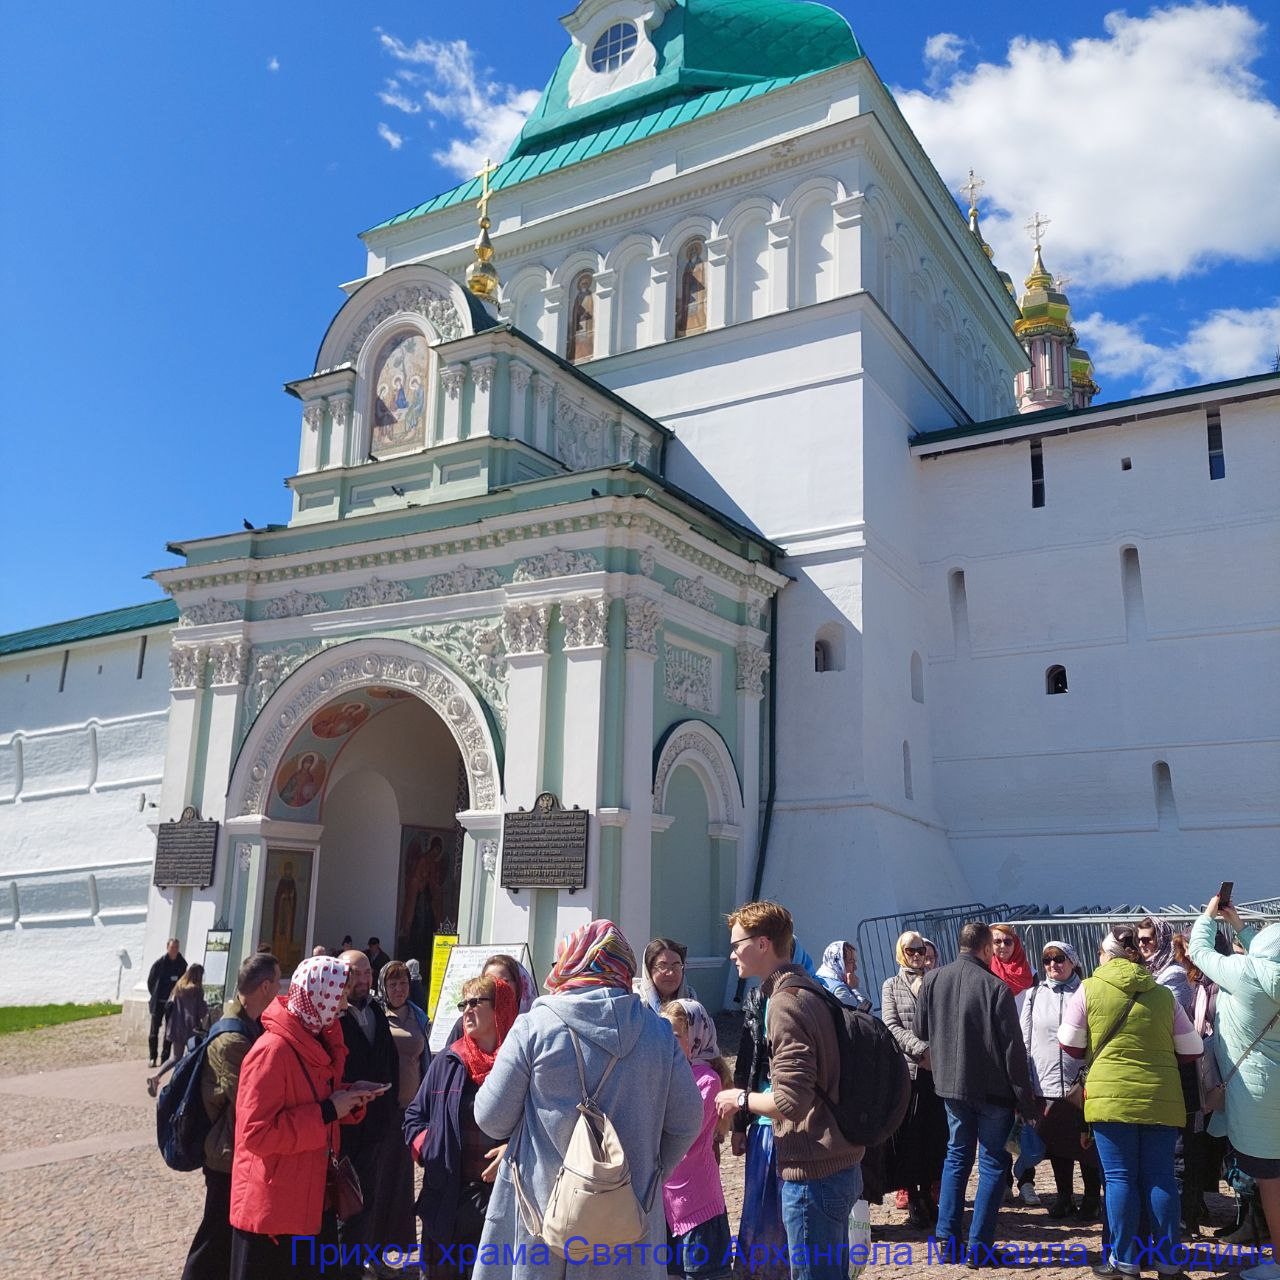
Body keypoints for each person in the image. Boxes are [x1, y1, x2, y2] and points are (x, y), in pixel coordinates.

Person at [471, 919, 703, 1280]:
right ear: (623, 966)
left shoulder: (535, 1027)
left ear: (570, 962)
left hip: (542, 1217)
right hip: (628, 1220)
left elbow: (491, 1119)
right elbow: (688, 1120)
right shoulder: (658, 1033)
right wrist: (646, 1172)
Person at [715, 901, 864, 1280]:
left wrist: (740, 1099)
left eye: (737, 944)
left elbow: (791, 1101)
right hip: (836, 1161)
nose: (732, 953)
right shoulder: (809, 989)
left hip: (814, 1169)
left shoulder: (785, 1002)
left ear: (763, 943)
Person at [1058, 923, 1203, 1279]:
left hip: (1110, 1100)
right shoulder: (1163, 994)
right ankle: (1168, 1261)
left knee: (1120, 1179)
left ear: (1107, 955)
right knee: (1161, 1178)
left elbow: (1069, 1044)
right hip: (1160, 1098)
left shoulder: (1089, 989)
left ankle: (1124, 1261)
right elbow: (1193, 1048)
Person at [229, 954, 382, 1279]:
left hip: (310, 1202)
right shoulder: (272, 1051)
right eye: (340, 994)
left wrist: (350, 1098)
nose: (344, 1004)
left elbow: (315, 1102)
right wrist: (329, 1110)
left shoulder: (314, 1042)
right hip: (273, 1214)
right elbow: (256, 1134)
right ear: (320, 995)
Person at [912, 920, 1037, 1266]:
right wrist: (1025, 1100)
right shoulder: (995, 988)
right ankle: (979, 1245)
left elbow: (921, 1029)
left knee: (956, 1157)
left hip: (951, 1085)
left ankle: (947, 1239)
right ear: (985, 949)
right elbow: (1013, 1051)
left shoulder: (933, 979)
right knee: (994, 1162)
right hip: (991, 1090)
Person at [1189, 893, 1280, 1280]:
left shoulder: (1244, 974)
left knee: (1272, 1184)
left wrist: (1212, 915)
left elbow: (1198, 949)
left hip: (1258, 1095)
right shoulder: (1267, 970)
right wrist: (1241, 924)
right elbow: (1267, 951)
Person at [405, 975, 516, 1278]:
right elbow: (414, 1116)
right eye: (463, 1003)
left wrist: (512, 1150)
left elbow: (540, 1125)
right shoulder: (449, 1061)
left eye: (476, 1002)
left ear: (500, 1009)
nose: (467, 1010)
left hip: (502, 1201)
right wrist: (431, 1149)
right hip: (447, 1197)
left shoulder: (519, 1063)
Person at [180, 952, 280, 1280]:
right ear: (265, 987)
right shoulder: (232, 1039)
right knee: (214, 1233)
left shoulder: (250, 1025)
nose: (279, 989)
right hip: (224, 1153)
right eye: (277, 982)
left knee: (226, 1235)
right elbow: (249, 1100)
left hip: (236, 1148)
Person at [1019, 940, 1103, 1220]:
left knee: (1085, 1143)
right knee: (1056, 1144)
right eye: (1047, 960)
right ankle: (1065, 1195)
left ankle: (1092, 1198)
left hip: (1080, 1082)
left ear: (1072, 960)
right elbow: (1026, 1038)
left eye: (1059, 959)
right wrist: (1028, 1079)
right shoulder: (1034, 995)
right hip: (1046, 1081)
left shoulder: (1087, 991)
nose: (1053, 965)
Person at [336, 948, 400, 1270]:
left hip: (377, 1124)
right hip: (345, 1126)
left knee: (371, 1196)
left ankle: (366, 1259)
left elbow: (388, 1059)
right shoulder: (333, 1014)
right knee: (345, 1201)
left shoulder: (375, 1010)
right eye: (355, 973)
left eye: (366, 973)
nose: (363, 979)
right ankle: (344, 1265)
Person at [660, 1000, 733, 1280]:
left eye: (675, 1035)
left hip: (697, 1205)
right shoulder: (664, 1075)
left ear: (696, 1038)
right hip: (666, 1206)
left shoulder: (707, 1080)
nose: (666, 1041)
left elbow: (680, 1133)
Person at [881, 931, 947, 1228]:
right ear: (901, 953)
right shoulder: (892, 986)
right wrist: (920, 1050)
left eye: (920, 950)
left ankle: (932, 1193)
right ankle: (915, 1196)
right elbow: (891, 1024)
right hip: (909, 1069)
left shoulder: (935, 981)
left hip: (937, 1070)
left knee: (934, 1135)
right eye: (911, 950)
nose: (917, 955)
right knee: (910, 1135)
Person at [730, 971, 789, 1280]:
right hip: (762, 1121)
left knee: (787, 1210)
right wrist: (739, 1125)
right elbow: (745, 1059)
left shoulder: (802, 996)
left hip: (794, 1124)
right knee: (758, 1206)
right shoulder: (757, 998)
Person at [378, 960, 431, 1265]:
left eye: (403, 984)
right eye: (393, 984)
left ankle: (398, 1243)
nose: (399, 990)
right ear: (384, 987)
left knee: (403, 1180)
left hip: (409, 1110)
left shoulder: (418, 1017)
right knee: (382, 1177)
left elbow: (425, 1061)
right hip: (384, 1109)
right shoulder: (377, 1015)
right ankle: (374, 1245)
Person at [1139, 916, 1195, 1015]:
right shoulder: (1150, 969)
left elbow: (1173, 1014)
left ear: (1161, 940)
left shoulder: (1175, 974)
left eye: (1146, 940)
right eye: (1138, 940)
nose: (1141, 944)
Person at [147, 937, 186, 1067]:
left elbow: (183, 982)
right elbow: (151, 981)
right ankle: (152, 1057)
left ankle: (165, 1058)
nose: (174, 950)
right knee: (154, 1031)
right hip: (159, 1002)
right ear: (167, 948)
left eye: (176, 947)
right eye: (172, 947)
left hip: (172, 1004)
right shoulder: (159, 964)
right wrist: (155, 995)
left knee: (169, 1032)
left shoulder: (182, 964)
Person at [638, 937, 698, 1012]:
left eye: (676, 966)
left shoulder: (689, 997)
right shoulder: (636, 1002)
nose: (670, 973)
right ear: (648, 970)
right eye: (662, 966)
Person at [166, 964, 210, 1060]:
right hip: (192, 1028)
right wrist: (206, 1007)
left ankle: (158, 1074)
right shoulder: (197, 990)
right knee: (194, 1057)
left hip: (176, 1027)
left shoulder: (179, 987)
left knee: (175, 1057)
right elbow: (201, 1012)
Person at [816, 940, 873, 1013]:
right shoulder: (839, 991)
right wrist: (856, 988)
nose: (855, 967)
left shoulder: (819, 978)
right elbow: (867, 1015)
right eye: (851, 962)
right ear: (839, 963)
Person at [990, 924, 1036, 1000]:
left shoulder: (1031, 973)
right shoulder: (985, 970)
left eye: (1007, 942)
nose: (1003, 946)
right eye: (997, 941)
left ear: (1015, 945)